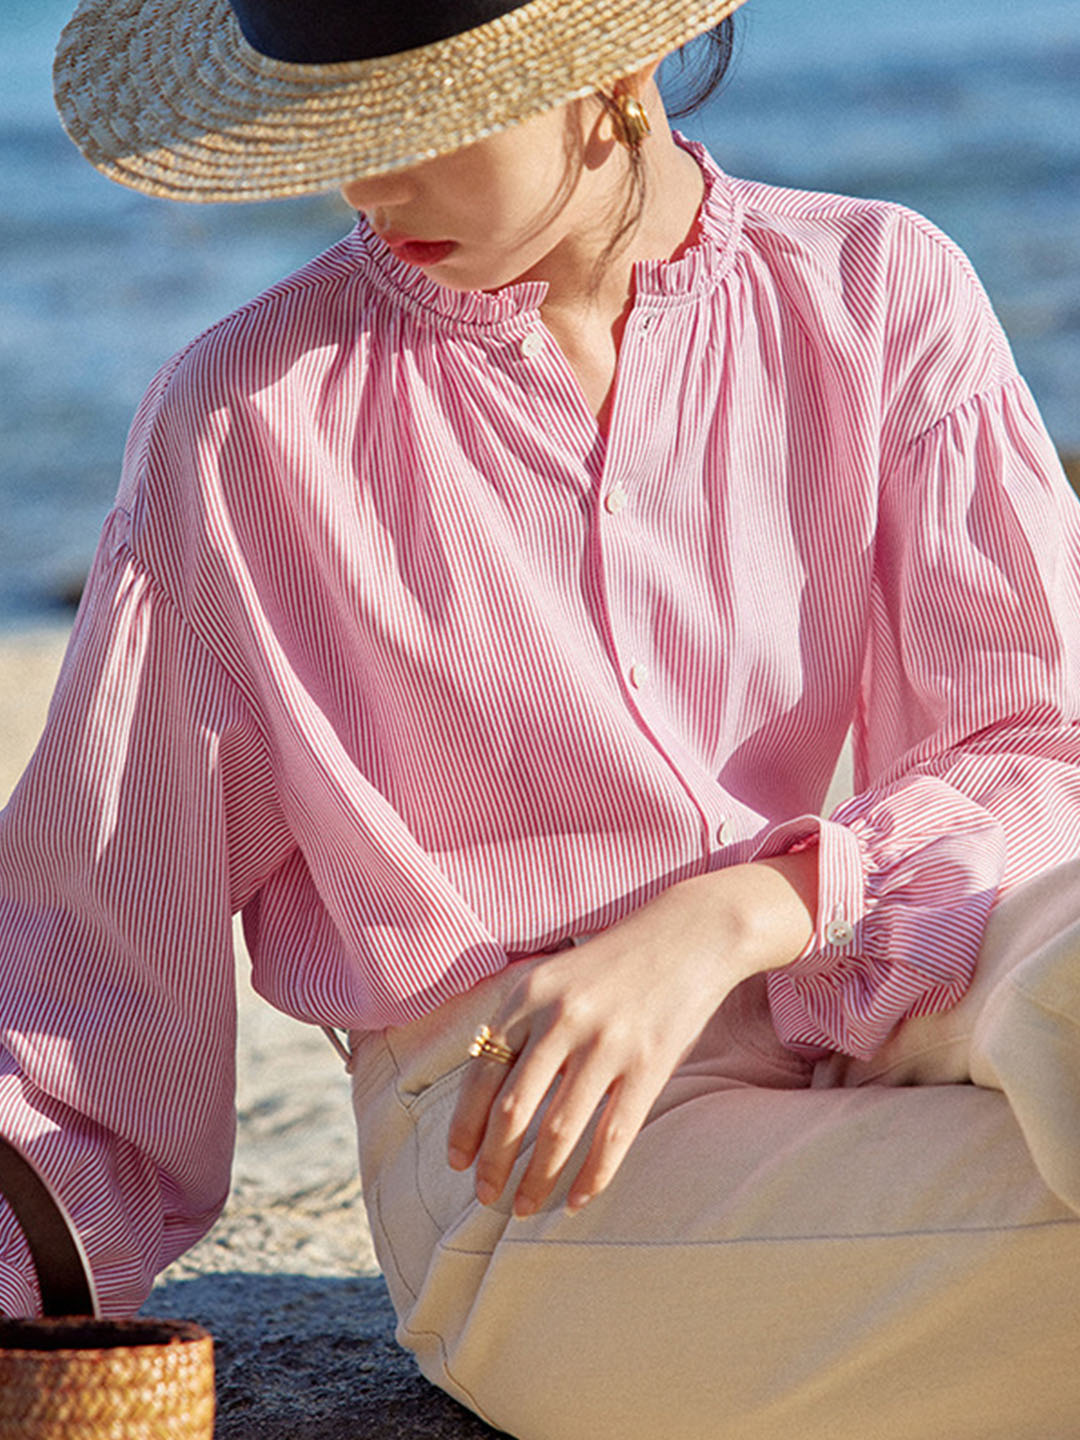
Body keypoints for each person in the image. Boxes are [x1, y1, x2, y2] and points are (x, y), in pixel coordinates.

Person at [2, 0, 1080, 1434]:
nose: (367, 182)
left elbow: (1040, 753)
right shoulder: (248, 419)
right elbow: (93, 958)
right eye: (335, 127)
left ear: (613, 62)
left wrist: (746, 912)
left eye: (419, 116)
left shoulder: (880, 291)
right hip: (531, 1144)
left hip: (882, 960)